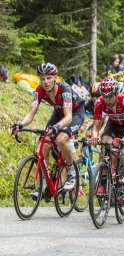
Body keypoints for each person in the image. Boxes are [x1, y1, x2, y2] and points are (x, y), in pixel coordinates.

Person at [11, 63, 85, 192]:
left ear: (55, 78)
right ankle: (45, 183)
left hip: (75, 113)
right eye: (42, 78)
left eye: (49, 78)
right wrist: (20, 124)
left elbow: (68, 117)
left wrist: (57, 127)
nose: (45, 82)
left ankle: (72, 172)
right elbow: (31, 113)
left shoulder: (65, 90)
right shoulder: (39, 91)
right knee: (45, 143)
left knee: (60, 140)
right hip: (58, 112)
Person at [91, 77, 124, 205]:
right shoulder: (100, 102)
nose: (107, 100)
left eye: (110, 96)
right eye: (104, 96)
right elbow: (96, 126)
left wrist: (123, 140)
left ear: (117, 93)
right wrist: (94, 136)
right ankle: (103, 183)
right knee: (105, 147)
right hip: (113, 125)